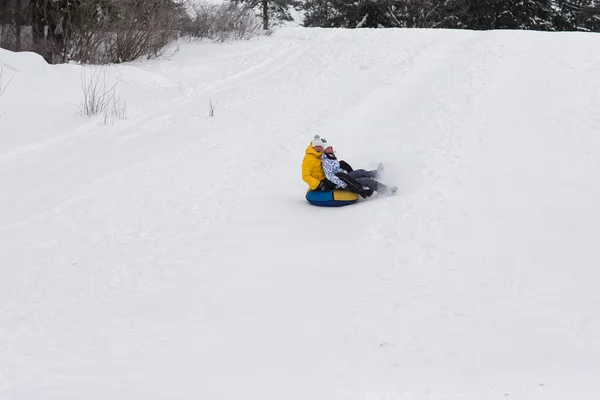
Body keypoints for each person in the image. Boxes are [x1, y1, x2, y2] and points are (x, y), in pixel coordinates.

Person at [321, 142, 397, 198]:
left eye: (331, 147)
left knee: (360, 172)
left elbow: (336, 169)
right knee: (366, 181)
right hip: (341, 183)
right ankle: (385, 190)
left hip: (345, 177)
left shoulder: (330, 157)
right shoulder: (326, 161)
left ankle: (377, 173)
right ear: (324, 150)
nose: (330, 149)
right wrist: (342, 183)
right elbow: (330, 176)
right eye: (328, 148)